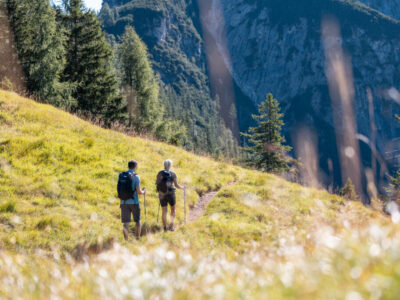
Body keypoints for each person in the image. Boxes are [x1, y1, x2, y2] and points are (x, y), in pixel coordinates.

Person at [117, 160, 146, 240]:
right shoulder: (136, 176)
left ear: (128, 166)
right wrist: (144, 191)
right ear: (135, 167)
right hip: (134, 202)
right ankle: (137, 238)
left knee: (126, 223)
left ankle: (126, 240)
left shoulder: (122, 175)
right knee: (137, 220)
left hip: (123, 202)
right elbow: (139, 191)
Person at [156, 159, 185, 232]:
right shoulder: (173, 174)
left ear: (164, 165)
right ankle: (171, 226)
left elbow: (157, 183)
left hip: (162, 194)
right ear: (170, 165)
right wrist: (183, 187)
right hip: (171, 193)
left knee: (164, 211)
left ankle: (165, 228)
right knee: (172, 209)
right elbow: (176, 185)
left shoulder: (160, 173)